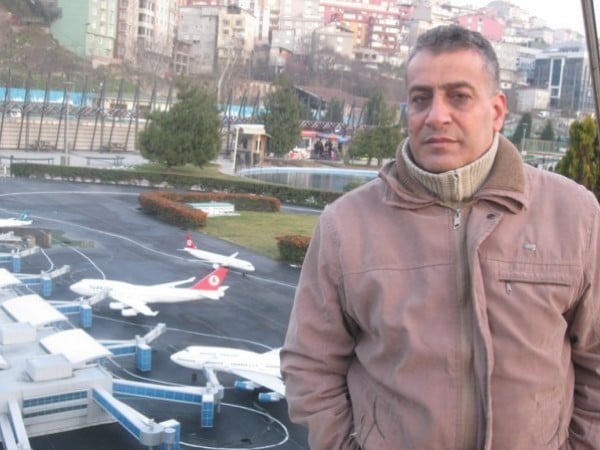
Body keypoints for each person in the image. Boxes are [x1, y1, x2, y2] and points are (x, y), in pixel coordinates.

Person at [281, 24, 600, 450]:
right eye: (420, 98)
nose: (436, 115)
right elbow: (310, 363)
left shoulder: (575, 215)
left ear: (497, 111)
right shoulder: (347, 224)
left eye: (459, 96)